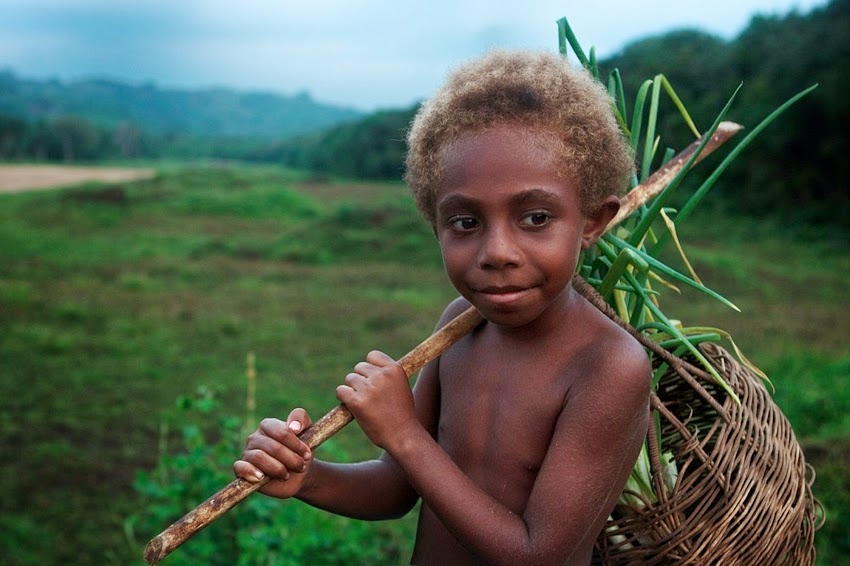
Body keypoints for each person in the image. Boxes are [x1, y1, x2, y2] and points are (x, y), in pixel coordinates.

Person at [234, 49, 650, 565]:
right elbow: (397, 488)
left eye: (536, 217)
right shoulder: (458, 328)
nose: (497, 252)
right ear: (435, 225)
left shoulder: (609, 367)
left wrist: (405, 435)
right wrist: (309, 477)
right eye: (466, 223)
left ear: (592, 222)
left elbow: (538, 555)